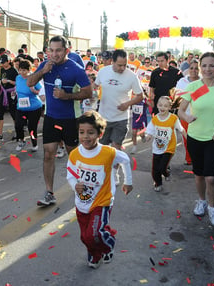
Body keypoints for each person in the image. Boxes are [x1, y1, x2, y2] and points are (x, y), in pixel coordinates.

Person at [27, 35, 92, 206]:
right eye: (51, 50)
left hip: (71, 119)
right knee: (49, 154)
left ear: (66, 51)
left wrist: (67, 96)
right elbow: (29, 82)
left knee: (74, 156)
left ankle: (83, 187)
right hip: (50, 117)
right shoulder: (45, 65)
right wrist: (42, 71)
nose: (54, 54)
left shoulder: (76, 69)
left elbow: (88, 93)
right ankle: (49, 192)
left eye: (58, 50)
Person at [66, 111, 132, 269]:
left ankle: (108, 244)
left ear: (100, 134)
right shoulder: (75, 154)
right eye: (82, 132)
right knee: (85, 237)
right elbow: (70, 174)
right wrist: (75, 185)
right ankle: (95, 255)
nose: (85, 137)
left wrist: (128, 182)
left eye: (90, 133)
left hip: (102, 201)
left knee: (93, 234)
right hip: (82, 203)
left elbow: (126, 160)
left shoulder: (108, 153)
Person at [178, 51, 214, 227]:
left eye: (212, 65)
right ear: (200, 67)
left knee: (211, 178)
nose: (207, 69)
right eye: (204, 65)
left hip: (213, 139)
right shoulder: (195, 87)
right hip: (194, 137)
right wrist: (187, 118)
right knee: (199, 175)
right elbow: (181, 110)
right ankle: (201, 200)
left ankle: (212, 207)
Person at [96, 49, 143, 184]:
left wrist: (127, 104)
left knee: (116, 148)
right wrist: (91, 94)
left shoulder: (132, 76)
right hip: (103, 118)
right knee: (103, 148)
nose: (123, 68)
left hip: (121, 119)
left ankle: (114, 174)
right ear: (112, 62)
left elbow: (140, 96)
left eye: (125, 65)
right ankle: (103, 172)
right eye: (119, 65)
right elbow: (95, 86)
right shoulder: (103, 72)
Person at [146, 96, 185, 192]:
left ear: (169, 108)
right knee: (155, 169)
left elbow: (181, 129)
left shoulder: (173, 118)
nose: (162, 107)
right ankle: (158, 183)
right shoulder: (155, 119)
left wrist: (188, 139)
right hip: (157, 147)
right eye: (160, 105)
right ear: (157, 106)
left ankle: (166, 173)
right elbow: (150, 131)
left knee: (162, 168)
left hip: (169, 147)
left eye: (165, 106)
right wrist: (147, 136)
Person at [175, 59, 200, 165]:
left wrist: (189, 96)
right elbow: (177, 96)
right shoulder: (182, 81)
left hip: (199, 116)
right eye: (191, 68)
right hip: (185, 114)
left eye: (196, 68)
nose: (194, 70)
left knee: (198, 139)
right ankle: (189, 159)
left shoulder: (204, 81)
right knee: (187, 138)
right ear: (188, 69)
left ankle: (198, 158)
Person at [14, 59, 43, 152]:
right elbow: (18, 88)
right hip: (21, 107)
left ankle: (34, 144)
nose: (22, 72)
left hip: (34, 107)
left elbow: (41, 92)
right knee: (18, 125)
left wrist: (33, 90)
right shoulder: (18, 78)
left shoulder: (33, 78)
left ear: (29, 70)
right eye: (20, 70)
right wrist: (14, 93)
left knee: (32, 128)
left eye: (24, 70)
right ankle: (21, 141)